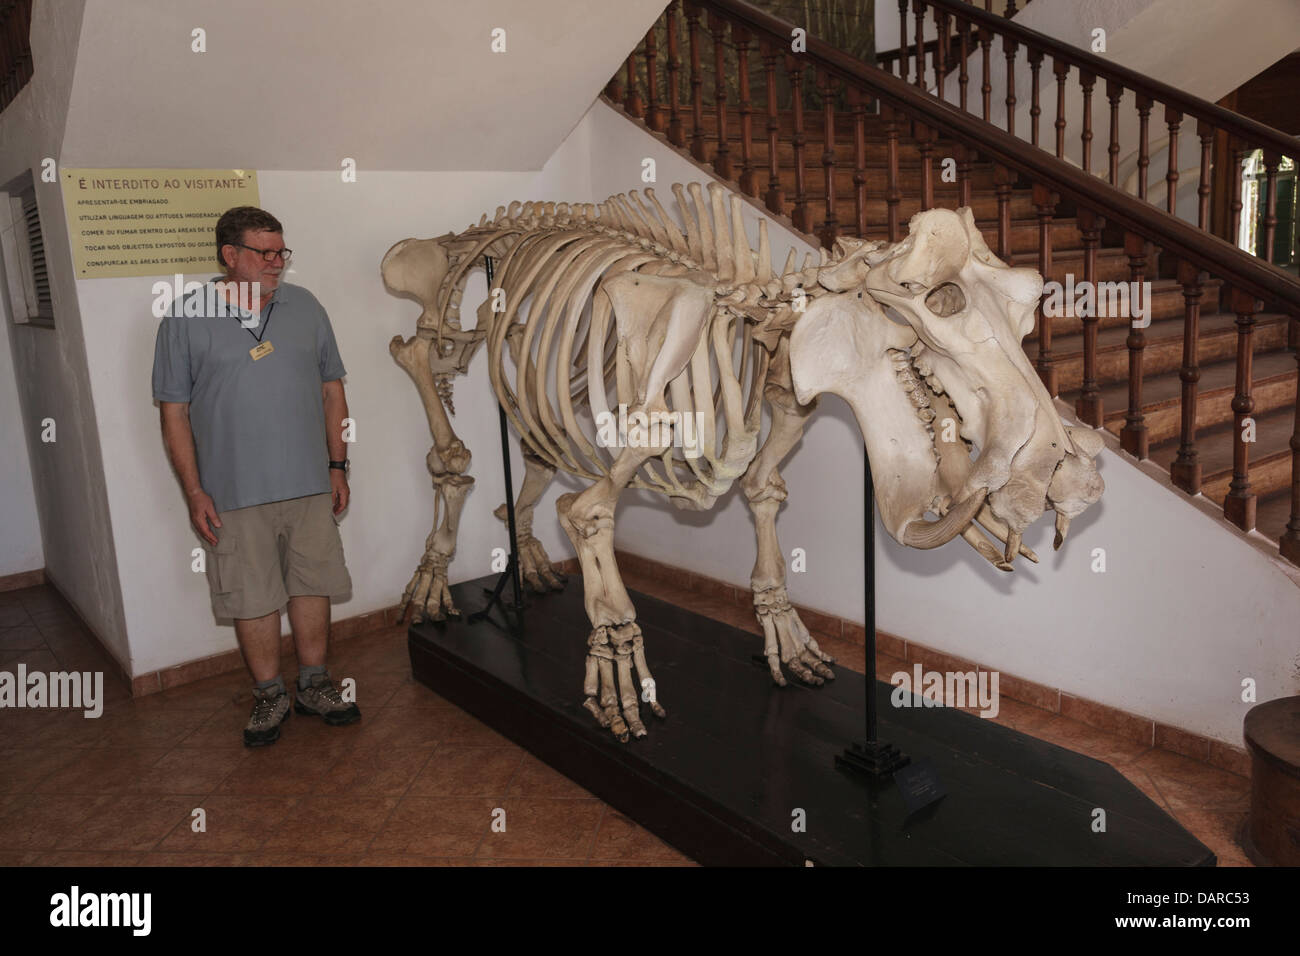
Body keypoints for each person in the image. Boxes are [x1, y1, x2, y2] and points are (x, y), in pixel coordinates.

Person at [152, 205, 359, 746]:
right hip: (232, 491)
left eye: (280, 251)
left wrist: (338, 463)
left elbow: (332, 389)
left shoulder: (305, 306)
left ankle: (315, 684)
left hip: (310, 483)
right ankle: (269, 694)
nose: (276, 262)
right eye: (264, 253)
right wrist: (194, 491)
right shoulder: (185, 316)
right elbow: (172, 411)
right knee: (251, 594)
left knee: (314, 585)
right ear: (230, 255)